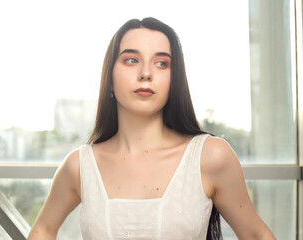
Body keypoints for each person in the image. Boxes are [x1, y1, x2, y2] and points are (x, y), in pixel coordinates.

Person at [28, 17, 275, 240]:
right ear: (109, 78)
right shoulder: (79, 165)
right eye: (132, 60)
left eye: (161, 63)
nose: (146, 73)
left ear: (174, 79)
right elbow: (42, 230)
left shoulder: (211, 157)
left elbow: (256, 234)